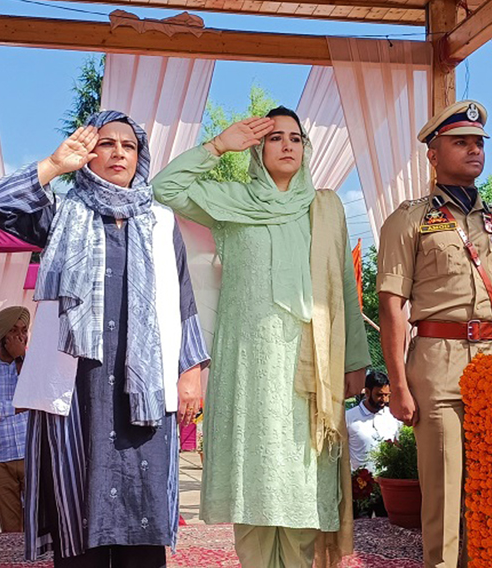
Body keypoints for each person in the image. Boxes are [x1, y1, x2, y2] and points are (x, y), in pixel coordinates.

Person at [0, 110, 209, 567]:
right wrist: (54, 164)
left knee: (142, 518)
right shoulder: (62, 213)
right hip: (78, 388)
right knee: (77, 509)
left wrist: (191, 372)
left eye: (129, 145)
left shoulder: (161, 222)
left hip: (144, 389)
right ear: (88, 153)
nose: (119, 152)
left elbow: (184, 300)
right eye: (106, 143)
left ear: (140, 158)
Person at [152, 107, 371, 568]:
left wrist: (355, 360)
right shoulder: (232, 202)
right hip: (247, 368)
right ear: (257, 149)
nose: (287, 144)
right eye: (275, 137)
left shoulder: (323, 208)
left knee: (300, 490)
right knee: (251, 490)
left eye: (296, 137)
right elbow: (165, 188)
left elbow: (345, 291)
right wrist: (218, 146)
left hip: (309, 372)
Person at [376, 100, 492, 568]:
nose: (474, 150)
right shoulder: (410, 219)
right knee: (446, 494)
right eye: (461, 142)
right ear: (433, 155)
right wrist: (398, 385)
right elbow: (391, 305)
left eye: (478, 143)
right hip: (438, 363)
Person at [0, 306, 31, 533]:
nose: (20, 336)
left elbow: (34, 398)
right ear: (2, 336)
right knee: (11, 529)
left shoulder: (33, 366)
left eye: (24, 330)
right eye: (13, 331)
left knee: (38, 524)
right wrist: (17, 407)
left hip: (31, 455)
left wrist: (21, 359)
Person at [345, 370, 402, 474]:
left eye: (387, 395)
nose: (384, 400)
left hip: (388, 480)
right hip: (359, 482)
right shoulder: (349, 417)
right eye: (379, 395)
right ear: (367, 392)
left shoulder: (393, 416)